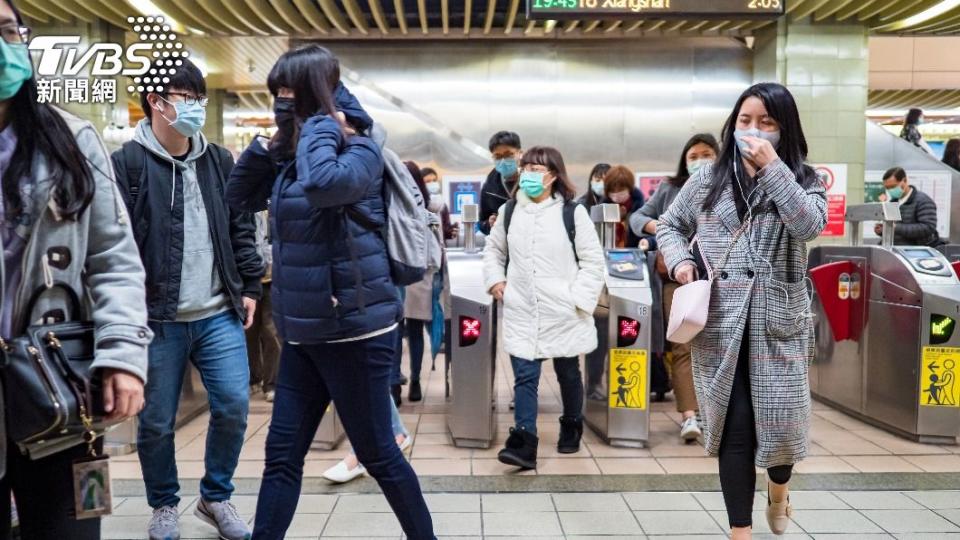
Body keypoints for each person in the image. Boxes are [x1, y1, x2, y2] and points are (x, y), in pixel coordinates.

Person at [225, 45, 435, 540]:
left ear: (312, 94)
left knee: (379, 453)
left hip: (355, 331)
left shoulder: (359, 147)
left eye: (286, 93)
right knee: (281, 458)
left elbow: (324, 186)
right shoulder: (290, 153)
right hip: (302, 332)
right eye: (273, 93)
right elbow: (237, 197)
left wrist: (321, 129)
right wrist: (270, 144)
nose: (278, 101)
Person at [0, 1, 150, 537]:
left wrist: (124, 355)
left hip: (57, 385)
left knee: (69, 527)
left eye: (7, 30)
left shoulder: (70, 139)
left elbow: (112, 258)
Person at [657, 82, 827, 539]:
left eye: (766, 122)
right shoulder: (707, 179)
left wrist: (773, 170)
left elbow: (809, 225)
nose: (752, 131)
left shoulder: (804, 179)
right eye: (745, 121)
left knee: (782, 435)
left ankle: (778, 488)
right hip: (720, 324)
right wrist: (682, 261)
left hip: (778, 326)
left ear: (783, 129)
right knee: (734, 430)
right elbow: (670, 227)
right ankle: (740, 533)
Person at [111, 58, 263, 540]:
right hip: (156, 317)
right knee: (156, 421)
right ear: (155, 102)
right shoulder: (127, 164)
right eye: (186, 98)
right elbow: (112, 242)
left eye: (199, 98)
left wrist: (251, 286)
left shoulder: (220, 160)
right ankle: (163, 503)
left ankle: (215, 497)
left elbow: (240, 227)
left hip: (218, 309)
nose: (196, 107)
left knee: (235, 404)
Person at [482, 146, 604, 469]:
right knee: (525, 376)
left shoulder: (571, 213)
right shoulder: (510, 211)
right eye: (526, 168)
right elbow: (493, 250)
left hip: (563, 310)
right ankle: (524, 442)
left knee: (567, 373)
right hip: (522, 308)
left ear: (553, 175)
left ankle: (571, 425)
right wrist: (496, 281)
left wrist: (577, 299)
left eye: (537, 169)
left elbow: (593, 261)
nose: (530, 174)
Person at [631, 133, 718, 442]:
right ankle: (689, 416)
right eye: (693, 156)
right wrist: (664, 227)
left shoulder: (729, 187)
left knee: (719, 346)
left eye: (706, 154)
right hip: (678, 280)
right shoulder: (670, 188)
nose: (699, 161)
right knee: (682, 346)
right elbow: (638, 217)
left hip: (721, 281)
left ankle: (715, 413)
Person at [404, 162, 452, 402]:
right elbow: (445, 234)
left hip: (416, 274)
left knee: (416, 330)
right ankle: (418, 380)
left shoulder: (402, 205)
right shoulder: (436, 205)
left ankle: (413, 380)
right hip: (427, 274)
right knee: (428, 327)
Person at [247, 210, 281, 402]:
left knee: (271, 330)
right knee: (249, 329)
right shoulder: (244, 201)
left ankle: (272, 383)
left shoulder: (275, 201)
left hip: (273, 275)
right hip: (248, 275)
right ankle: (254, 377)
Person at [873, 167, 941, 247]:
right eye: (887, 188)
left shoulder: (923, 201)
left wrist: (895, 227)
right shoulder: (892, 203)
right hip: (895, 251)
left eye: (893, 186)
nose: (890, 190)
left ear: (904, 181)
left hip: (915, 252)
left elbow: (928, 228)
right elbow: (894, 230)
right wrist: (882, 230)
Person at [478, 131, 522, 235]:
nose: (503, 160)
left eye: (508, 155)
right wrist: (489, 224)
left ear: (520, 153)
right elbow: (482, 223)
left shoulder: (533, 179)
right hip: (502, 244)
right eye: (498, 156)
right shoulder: (489, 185)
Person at [602, 165, 645, 247]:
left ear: (629, 189)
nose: (616, 194)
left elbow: (647, 234)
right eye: (612, 191)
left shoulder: (639, 205)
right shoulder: (603, 205)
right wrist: (616, 218)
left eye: (621, 190)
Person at [421, 167, 459, 241]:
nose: (432, 183)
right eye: (428, 181)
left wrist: (451, 231)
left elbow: (444, 230)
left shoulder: (441, 205)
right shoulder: (418, 204)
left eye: (434, 180)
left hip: (439, 246)